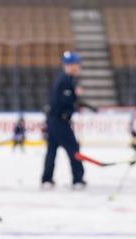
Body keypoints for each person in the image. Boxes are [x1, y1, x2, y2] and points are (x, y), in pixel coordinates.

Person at [41, 51, 86, 189]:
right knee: (73, 149)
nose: (78, 66)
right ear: (70, 65)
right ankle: (78, 179)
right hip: (59, 122)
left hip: (54, 121)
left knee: (52, 150)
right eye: (76, 64)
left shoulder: (67, 80)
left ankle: (46, 179)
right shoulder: (65, 81)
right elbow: (62, 102)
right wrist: (75, 98)